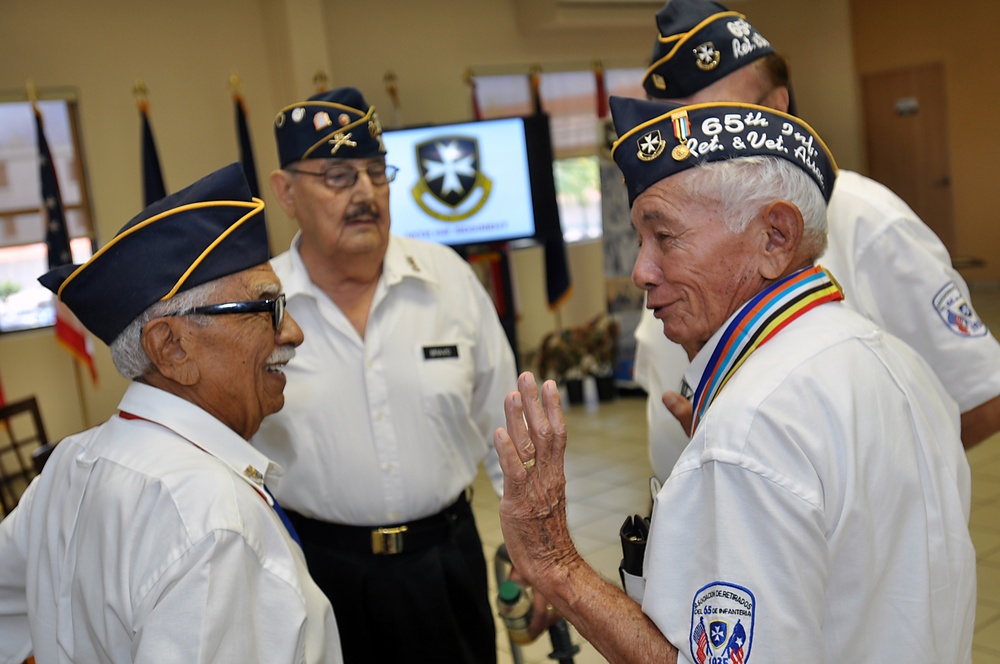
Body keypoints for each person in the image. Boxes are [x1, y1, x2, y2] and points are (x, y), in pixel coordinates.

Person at [493, 96, 976, 662]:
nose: (640, 272)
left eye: (665, 237)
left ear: (775, 237)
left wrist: (557, 567)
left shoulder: (753, 425)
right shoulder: (890, 356)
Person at [634, 0, 1000, 480]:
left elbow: (983, 397)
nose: (689, 150)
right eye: (671, 127)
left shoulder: (868, 221)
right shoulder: (669, 250)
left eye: (713, 120)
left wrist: (845, 494)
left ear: (777, 108)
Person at [0, 163, 343, 663]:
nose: (292, 331)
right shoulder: (212, 520)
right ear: (171, 348)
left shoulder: (71, 462)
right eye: (266, 308)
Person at [251, 87, 518, 663]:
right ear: (286, 192)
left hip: (445, 563)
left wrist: (537, 550)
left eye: (376, 172)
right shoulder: (257, 307)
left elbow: (507, 428)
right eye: (338, 176)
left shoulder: (447, 279)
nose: (366, 193)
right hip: (319, 574)